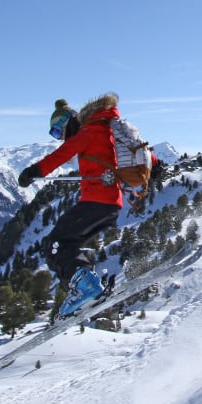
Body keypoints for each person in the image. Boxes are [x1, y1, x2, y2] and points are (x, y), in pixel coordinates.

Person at [18, 93, 124, 317]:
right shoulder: (106, 128)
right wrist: (156, 166)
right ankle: (86, 286)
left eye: (57, 131)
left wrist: (34, 172)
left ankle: (86, 287)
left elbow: (61, 155)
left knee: (54, 244)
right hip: (110, 205)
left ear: (67, 121)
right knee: (66, 243)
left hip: (97, 202)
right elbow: (133, 147)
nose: (59, 138)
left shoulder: (87, 131)